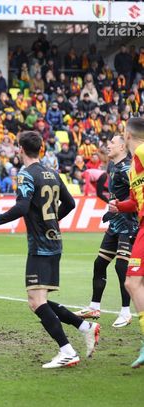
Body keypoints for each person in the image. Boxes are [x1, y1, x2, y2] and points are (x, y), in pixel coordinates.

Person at [0, 131, 100, 368]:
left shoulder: (26, 174)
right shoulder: (52, 172)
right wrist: (52, 221)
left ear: (21, 149)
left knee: (36, 301)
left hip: (40, 246)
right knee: (39, 300)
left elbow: (21, 208)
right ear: (40, 149)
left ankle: (67, 351)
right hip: (54, 241)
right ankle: (85, 326)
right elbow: (70, 203)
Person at [75, 135, 136, 328]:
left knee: (121, 266)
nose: (108, 146)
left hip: (129, 225)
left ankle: (126, 312)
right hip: (115, 224)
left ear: (122, 147)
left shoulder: (128, 169)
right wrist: (112, 209)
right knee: (100, 263)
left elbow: (137, 197)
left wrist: (121, 207)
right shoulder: (113, 167)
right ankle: (94, 307)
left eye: (112, 143)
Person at [108, 117, 144, 368]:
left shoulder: (142, 152)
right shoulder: (133, 168)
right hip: (141, 224)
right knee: (135, 282)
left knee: (132, 281)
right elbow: (135, 201)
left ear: (127, 136)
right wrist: (119, 206)